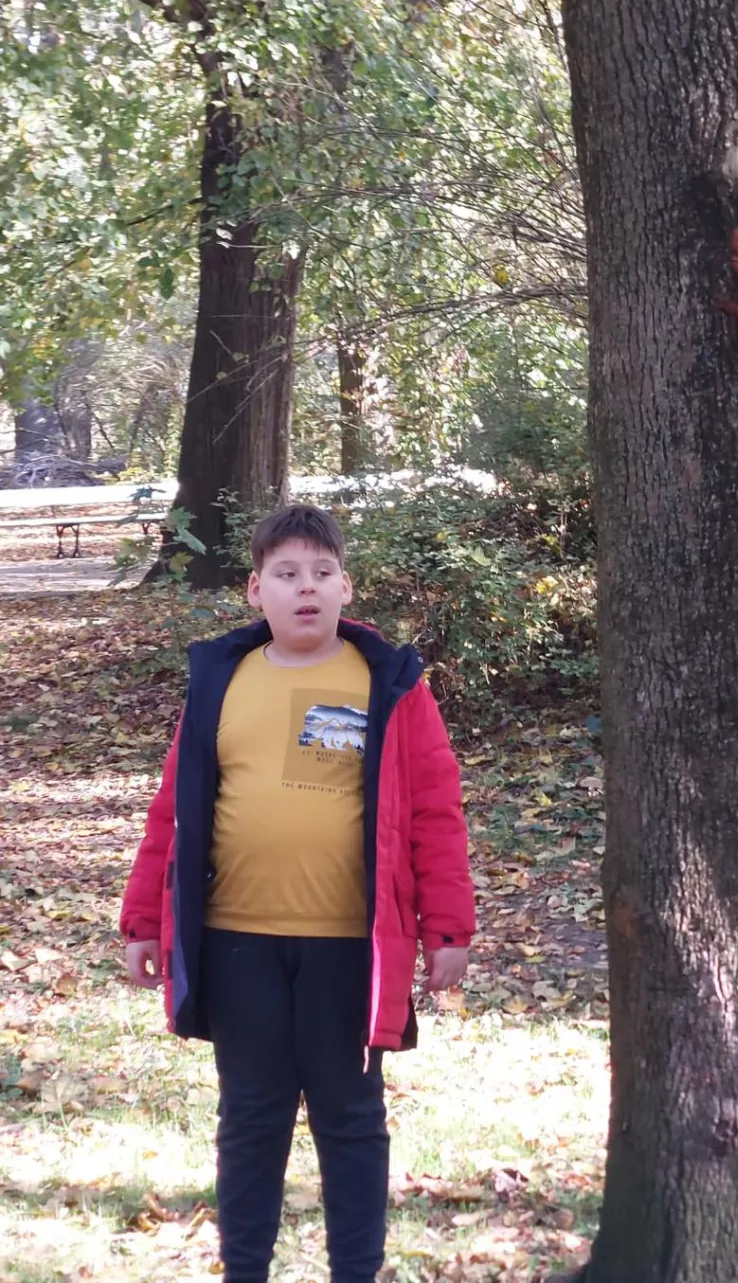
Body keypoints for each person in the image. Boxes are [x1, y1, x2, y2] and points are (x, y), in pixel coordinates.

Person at [120, 503, 475, 1283]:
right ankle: (244, 1269)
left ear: (346, 587)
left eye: (321, 572)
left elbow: (434, 810)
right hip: (236, 942)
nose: (305, 587)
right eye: (285, 574)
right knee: (251, 1118)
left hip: (349, 946)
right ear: (256, 590)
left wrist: (448, 929)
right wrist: (143, 919)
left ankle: (356, 1272)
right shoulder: (221, 680)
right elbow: (173, 809)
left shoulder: (389, 684)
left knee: (350, 1120)